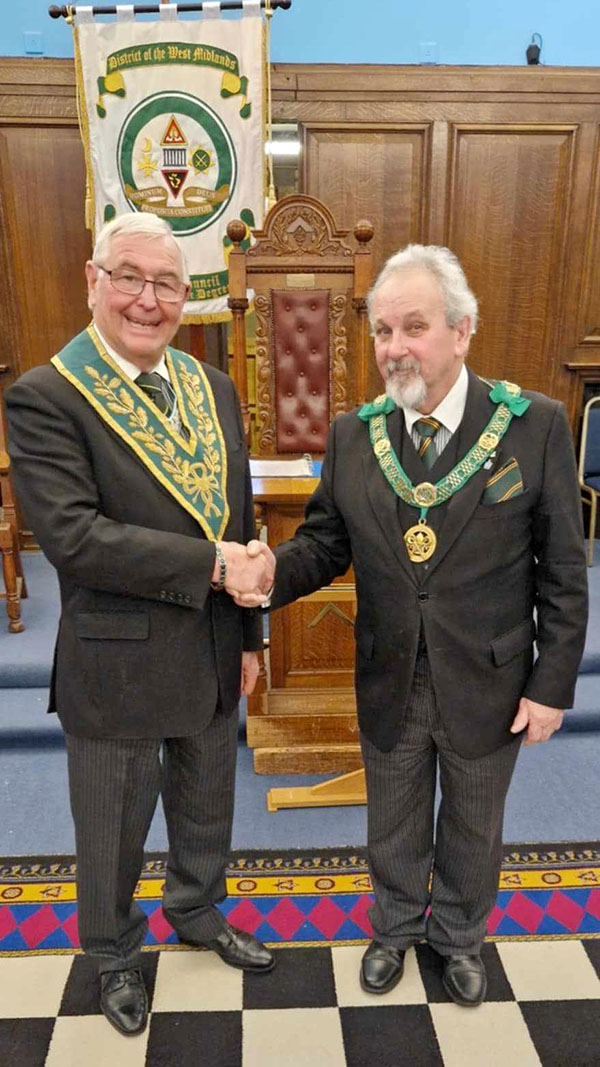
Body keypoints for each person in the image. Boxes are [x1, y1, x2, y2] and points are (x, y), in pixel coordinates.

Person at [244, 244, 588, 1007]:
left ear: (462, 331)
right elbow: (326, 541)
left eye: (414, 327)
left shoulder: (530, 427)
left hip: (491, 676)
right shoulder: (353, 435)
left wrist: (552, 681)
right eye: (381, 330)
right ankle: (395, 927)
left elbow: (563, 569)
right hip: (389, 668)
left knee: (473, 822)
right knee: (393, 815)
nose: (394, 347)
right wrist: (268, 572)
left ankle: (459, 936)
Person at [5, 212, 276, 1036]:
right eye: (130, 276)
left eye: (166, 283)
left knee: (207, 802)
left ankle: (197, 908)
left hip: (212, 641)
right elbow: (74, 538)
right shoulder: (48, 395)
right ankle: (114, 953)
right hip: (115, 656)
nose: (148, 300)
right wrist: (212, 568)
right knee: (114, 824)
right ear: (94, 280)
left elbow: (240, 512)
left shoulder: (213, 386)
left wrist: (254, 637)